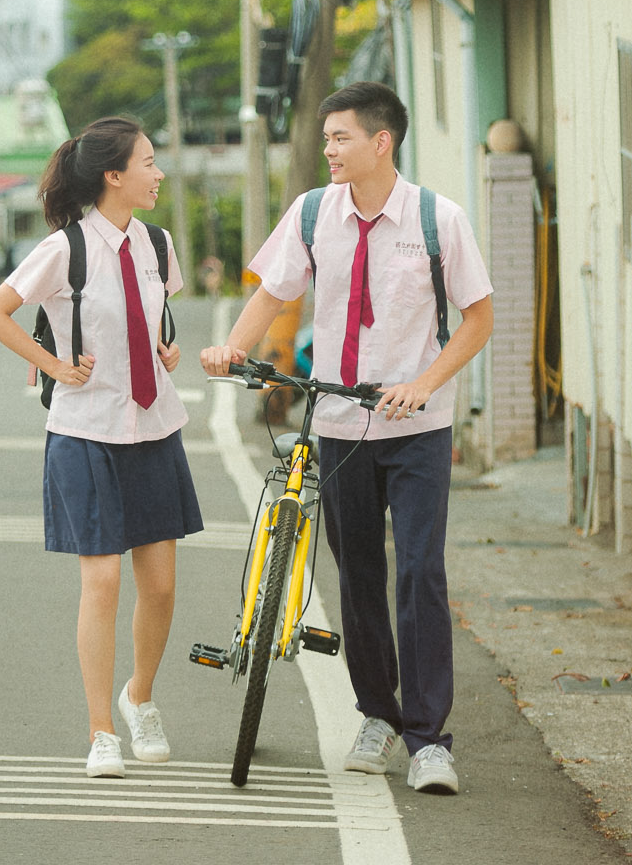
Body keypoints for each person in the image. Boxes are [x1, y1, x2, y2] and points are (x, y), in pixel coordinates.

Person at [201, 80, 493, 797]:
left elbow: (479, 317)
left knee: (418, 572)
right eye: (326, 138)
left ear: (380, 142)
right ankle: (378, 716)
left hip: (415, 427)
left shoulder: (435, 218)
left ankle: (429, 738)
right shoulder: (311, 214)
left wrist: (425, 381)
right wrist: (231, 348)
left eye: (339, 138)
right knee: (357, 575)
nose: (328, 149)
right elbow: (275, 290)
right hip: (337, 425)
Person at [0, 117, 202, 778]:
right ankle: (100, 730)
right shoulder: (64, 250)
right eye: (148, 163)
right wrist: (52, 367)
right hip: (85, 431)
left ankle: (140, 697)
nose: (157, 174)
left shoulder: (158, 245)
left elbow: (154, 315)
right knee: (101, 580)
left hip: (153, 426)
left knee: (159, 586)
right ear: (113, 176)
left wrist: (167, 348)